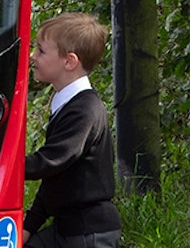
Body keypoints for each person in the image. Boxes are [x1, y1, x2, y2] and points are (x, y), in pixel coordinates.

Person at [21, 13, 121, 248]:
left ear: (69, 61)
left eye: (41, 50)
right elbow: (55, 179)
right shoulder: (66, 103)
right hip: (68, 228)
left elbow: (50, 162)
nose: (33, 56)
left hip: (88, 232)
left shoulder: (84, 110)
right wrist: (28, 227)